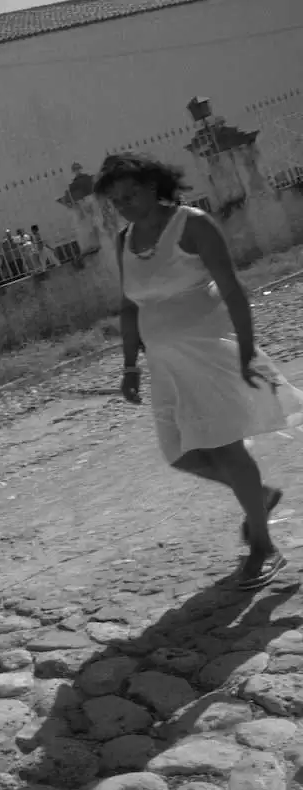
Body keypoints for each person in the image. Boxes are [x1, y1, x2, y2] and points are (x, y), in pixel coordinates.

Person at [94, 153, 303, 590]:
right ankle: (259, 497)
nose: (125, 205)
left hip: (209, 355)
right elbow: (129, 306)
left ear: (153, 186)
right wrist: (129, 365)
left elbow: (232, 289)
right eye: (116, 200)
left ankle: (264, 547)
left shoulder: (191, 224)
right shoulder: (125, 239)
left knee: (226, 448)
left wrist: (246, 352)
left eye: (131, 194)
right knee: (180, 452)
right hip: (164, 366)